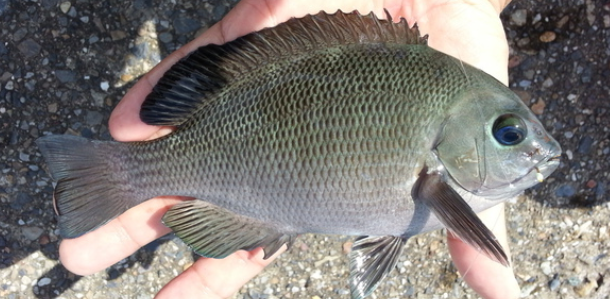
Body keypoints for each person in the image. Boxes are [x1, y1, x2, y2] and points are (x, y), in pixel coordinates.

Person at [58, 0, 520, 298]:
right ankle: (116, 175)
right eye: (508, 133)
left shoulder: (445, 131)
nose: (530, 151)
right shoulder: (442, 181)